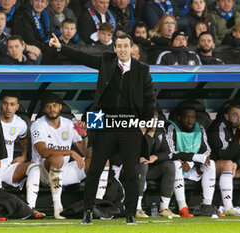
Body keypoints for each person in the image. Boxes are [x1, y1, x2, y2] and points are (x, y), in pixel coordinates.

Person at [49, 33, 156, 225]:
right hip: (105, 122)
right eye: (118, 46)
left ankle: (130, 213)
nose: (122, 49)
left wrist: (143, 124)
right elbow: (83, 57)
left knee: (132, 171)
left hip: (129, 124)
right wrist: (60, 47)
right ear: (114, 48)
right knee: (95, 169)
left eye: (125, 46)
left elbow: (150, 99)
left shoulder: (142, 69)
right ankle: (88, 211)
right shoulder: (107, 61)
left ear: (131, 48)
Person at [31, 93, 88, 219]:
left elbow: (84, 152)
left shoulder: (69, 123)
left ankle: (98, 203)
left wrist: (84, 136)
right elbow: (43, 152)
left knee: (98, 160)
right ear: (44, 109)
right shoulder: (38, 125)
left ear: (60, 107)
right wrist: (70, 152)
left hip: (64, 170)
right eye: (48, 106)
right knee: (58, 158)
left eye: (55, 105)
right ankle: (58, 208)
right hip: (43, 171)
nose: (52, 109)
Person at [165, 107, 216, 217]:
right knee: (176, 164)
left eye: (192, 117)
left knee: (211, 163)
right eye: (186, 117)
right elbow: (170, 152)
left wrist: (192, 162)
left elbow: (206, 151)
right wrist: (194, 157)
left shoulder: (199, 128)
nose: (190, 120)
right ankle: (183, 208)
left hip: (193, 168)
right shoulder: (171, 127)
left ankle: (207, 206)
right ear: (179, 118)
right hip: (176, 169)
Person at [135, 108, 178, 218]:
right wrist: (149, 132)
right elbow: (139, 151)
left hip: (149, 168)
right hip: (131, 168)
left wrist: (155, 157)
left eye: (154, 118)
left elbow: (169, 151)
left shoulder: (160, 129)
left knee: (169, 165)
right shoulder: (134, 128)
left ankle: (164, 208)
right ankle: (137, 208)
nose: (152, 120)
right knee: (143, 163)